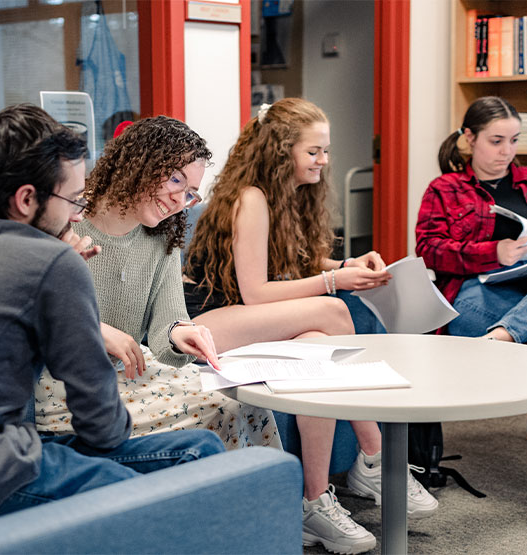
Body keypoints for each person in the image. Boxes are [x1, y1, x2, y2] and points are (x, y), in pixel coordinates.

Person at [0, 104, 224, 533]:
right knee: (165, 488)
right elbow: (102, 428)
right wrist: (62, 272)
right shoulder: (53, 264)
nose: (80, 214)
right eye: (74, 200)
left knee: (201, 446)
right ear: (26, 199)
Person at [183, 98, 438, 554]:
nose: (325, 161)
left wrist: (343, 263)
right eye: (314, 151)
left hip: (245, 315)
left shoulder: (287, 195)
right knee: (333, 311)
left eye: (326, 150)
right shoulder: (251, 197)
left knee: (319, 346)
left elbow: (287, 262)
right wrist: (334, 280)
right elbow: (257, 291)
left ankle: (313, 499)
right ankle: (376, 456)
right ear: (282, 153)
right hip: (204, 321)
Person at [35, 115, 281, 449]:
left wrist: (182, 334)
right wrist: (92, 328)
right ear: (140, 164)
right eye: (176, 180)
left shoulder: (161, 237)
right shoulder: (67, 217)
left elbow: (168, 322)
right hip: (65, 383)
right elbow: (31, 308)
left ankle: (284, 501)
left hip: (132, 372)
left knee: (248, 401)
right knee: (221, 408)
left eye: (191, 193)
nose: (181, 201)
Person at [416, 95, 527, 527]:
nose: (507, 151)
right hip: (481, 291)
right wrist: (495, 251)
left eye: (513, 140)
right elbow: (429, 249)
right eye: (496, 141)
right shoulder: (444, 189)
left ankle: (504, 337)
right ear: (469, 138)